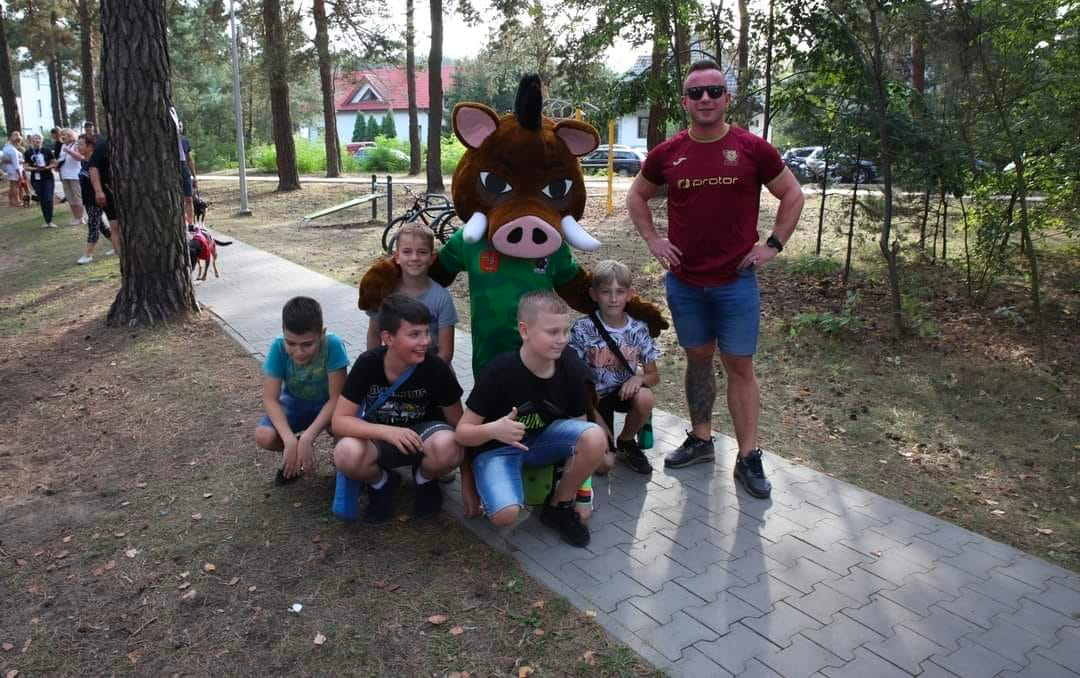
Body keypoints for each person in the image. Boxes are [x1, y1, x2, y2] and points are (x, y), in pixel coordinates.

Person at [626, 59, 805, 499]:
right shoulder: (668, 152)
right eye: (696, 92)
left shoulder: (752, 148)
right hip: (685, 283)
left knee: (739, 366)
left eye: (713, 91)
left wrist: (773, 245)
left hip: (736, 282)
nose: (705, 98)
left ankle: (747, 457)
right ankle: (701, 440)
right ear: (684, 102)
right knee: (698, 358)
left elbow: (792, 194)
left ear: (727, 98)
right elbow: (637, 195)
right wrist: (653, 239)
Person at [455, 291, 608, 547]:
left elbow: (582, 429)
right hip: (498, 449)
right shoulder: (498, 371)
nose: (562, 340)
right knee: (505, 516)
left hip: (543, 442)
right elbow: (462, 433)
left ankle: (558, 505)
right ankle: (501, 486)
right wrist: (493, 430)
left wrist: (583, 494)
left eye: (565, 331)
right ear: (524, 331)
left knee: (595, 436)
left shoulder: (571, 367)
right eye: (552, 332)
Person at [332, 294, 465, 523]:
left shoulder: (436, 368)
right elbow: (340, 421)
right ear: (388, 338)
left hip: (424, 438)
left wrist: (469, 487)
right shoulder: (368, 363)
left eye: (426, 332)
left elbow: (461, 426)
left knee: (449, 445)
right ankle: (381, 482)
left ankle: (424, 479)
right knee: (345, 453)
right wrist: (388, 432)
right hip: (380, 437)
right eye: (414, 334)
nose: (425, 341)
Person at [569, 260, 661, 476]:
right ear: (593, 294)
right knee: (604, 466)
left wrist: (638, 378)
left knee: (645, 397)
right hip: (594, 399)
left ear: (630, 294)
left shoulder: (639, 329)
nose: (613, 299)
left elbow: (654, 375)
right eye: (605, 292)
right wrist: (593, 413)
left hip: (623, 392)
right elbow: (573, 378)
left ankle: (626, 441)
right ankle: (598, 442)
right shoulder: (582, 328)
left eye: (619, 292)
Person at [254, 296, 349, 485]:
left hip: (329, 405)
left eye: (307, 344)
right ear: (283, 332)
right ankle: (295, 453)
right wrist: (290, 441)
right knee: (264, 436)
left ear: (322, 334)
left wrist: (308, 437)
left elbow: (336, 398)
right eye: (291, 343)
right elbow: (270, 399)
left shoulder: (333, 345)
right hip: (295, 403)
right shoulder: (277, 346)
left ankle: (344, 469)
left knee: (343, 427)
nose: (298, 352)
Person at [365, 223, 458, 364]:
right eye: (407, 252)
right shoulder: (383, 292)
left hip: (432, 370)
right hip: (393, 369)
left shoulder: (442, 298)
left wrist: (428, 375)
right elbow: (374, 335)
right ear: (397, 256)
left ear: (432, 258)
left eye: (422, 252)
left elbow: (445, 352)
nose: (414, 258)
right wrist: (375, 367)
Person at [75, 134, 119, 263]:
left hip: (97, 199)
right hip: (88, 200)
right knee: (101, 226)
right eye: (77, 144)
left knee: (93, 225)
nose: (78, 147)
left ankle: (87, 254)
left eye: (81, 144)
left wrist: (100, 193)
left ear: (90, 146)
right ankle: (115, 246)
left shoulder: (97, 163)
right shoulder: (83, 162)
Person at [87, 131, 122, 256]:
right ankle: (120, 254)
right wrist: (98, 191)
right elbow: (93, 168)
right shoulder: (104, 145)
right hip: (109, 190)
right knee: (115, 224)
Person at [23, 133, 58, 228]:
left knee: (48, 198)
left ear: (41, 140)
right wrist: (35, 169)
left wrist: (46, 167)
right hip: (36, 179)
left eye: (38, 138)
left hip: (47, 177)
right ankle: (47, 221)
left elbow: (54, 163)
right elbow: (25, 166)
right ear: (31, 141)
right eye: (34, 138)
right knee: (42, 199)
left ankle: (50, 220)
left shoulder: (47, 151)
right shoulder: (28, 152)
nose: (36, 140)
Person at [57, 128, 86, 226]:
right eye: (61, 135)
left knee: (77, 197)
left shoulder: (75, 145)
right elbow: (61, 159)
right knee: (70, 198)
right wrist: (57, 165)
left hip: (74, 175)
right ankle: (76, 217)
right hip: (65, 175)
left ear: (70, 135)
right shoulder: (63, 146)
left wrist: (69, 151)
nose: (63, 136)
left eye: (65, 134)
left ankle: (81, 217)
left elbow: (80, 158)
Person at [2, 131, 22, 207]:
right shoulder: (13, 150)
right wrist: (20, 174)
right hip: (14, 170)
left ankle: (11, 202)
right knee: (15, 187)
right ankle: (16, 201)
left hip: (9, 169)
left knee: (11, 186)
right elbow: (16, 164)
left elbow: (4, 159)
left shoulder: (5, 147)